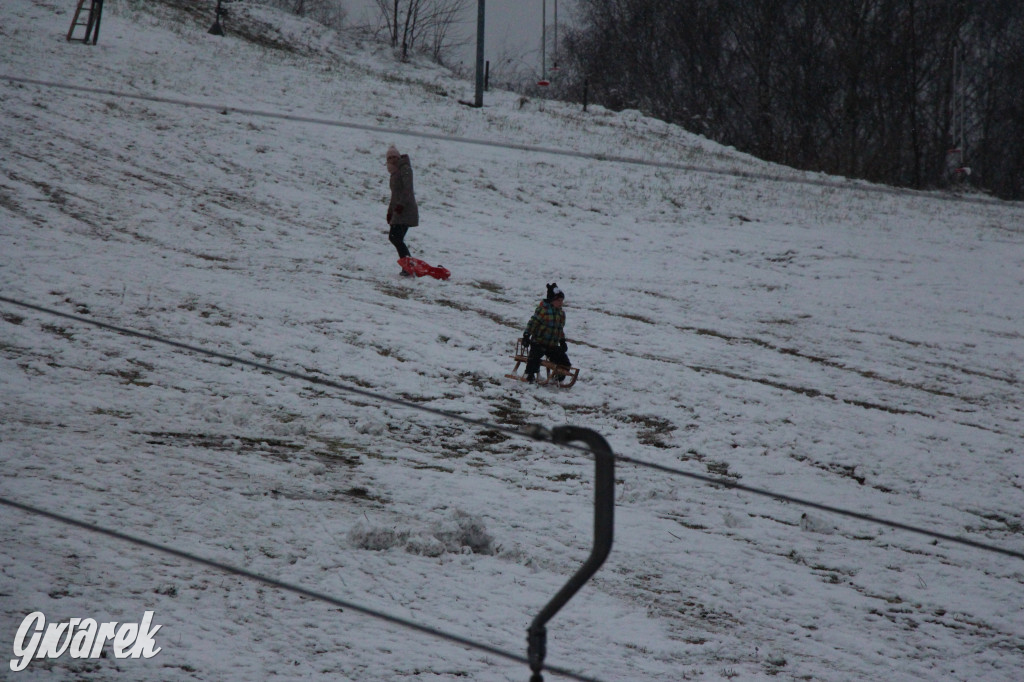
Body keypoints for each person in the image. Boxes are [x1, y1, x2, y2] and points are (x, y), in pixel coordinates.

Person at [521, 283, 572, 383]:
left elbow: (560, 329)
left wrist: (562, 341)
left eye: (562, 301)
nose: (561, 303)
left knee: (563, 360)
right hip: (539, 342)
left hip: (552, 345)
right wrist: (527, 335)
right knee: (534, 357)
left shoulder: (561, 313)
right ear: (552, 300)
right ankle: (529, 375)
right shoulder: (543, 310)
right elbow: (533, 323)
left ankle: (558, 377)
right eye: (558, 300)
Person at [385, 144, 419, 275]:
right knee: (395, 238)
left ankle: (408, 267)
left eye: (394, 157)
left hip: (406, 210)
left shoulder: (405, 169)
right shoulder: (394, 173)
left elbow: (407, 189)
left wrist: (401, 206)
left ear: (399, 157)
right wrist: (390, 211)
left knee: (395, 237)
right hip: (398, 211)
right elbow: (394, 195)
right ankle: (408, 266)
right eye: (389, 158)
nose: (392, 160)